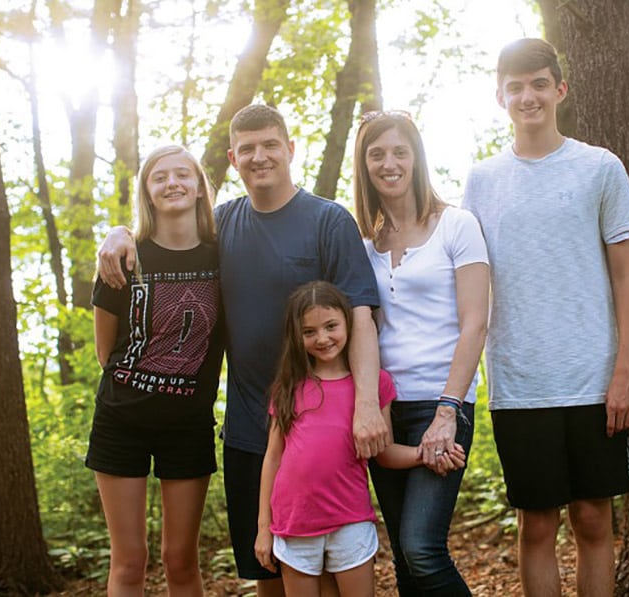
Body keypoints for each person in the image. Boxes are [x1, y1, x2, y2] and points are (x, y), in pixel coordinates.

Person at [97, 104, 389, 597]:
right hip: (250, 434)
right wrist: (119, 233)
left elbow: (361, 315)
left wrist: (365, 406)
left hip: (321, 431)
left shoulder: (328, 220)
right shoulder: (222, 226)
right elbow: (167, 232)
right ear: (233, 158)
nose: (260, 156)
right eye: (248, 148)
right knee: (266, 572)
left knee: (332, 576)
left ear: (290, 149)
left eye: (270, 144)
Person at [462, 38, 629, 597]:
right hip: (521, 382)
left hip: (594, 379)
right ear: (500, 96)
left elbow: (626, 276)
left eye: (539, 83)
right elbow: (471, 285)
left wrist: (626, 372)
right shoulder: (482, 180)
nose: (528, 96)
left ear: (560, 89)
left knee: (593, 518)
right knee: (536, 523)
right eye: (516, 86)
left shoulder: (600, 167)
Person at [254, 281, 466, 597]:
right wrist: (263, 529)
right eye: (309, 331)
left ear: (349, 324)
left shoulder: (373, 384)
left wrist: (424, 454)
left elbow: (384, 452)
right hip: (294, 524)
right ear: (295, 336)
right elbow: (273, 458)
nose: (322, 338)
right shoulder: (289, 387)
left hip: (349, 521)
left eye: (331, 326)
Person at [353, 110, 490, 595]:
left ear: (417, 159)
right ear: (364, 164)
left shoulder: (457, 225)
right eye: (376, 153)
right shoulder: (362, 242)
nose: (389, 163)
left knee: (421, 548)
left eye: (400, 152)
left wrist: (448, 411)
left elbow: (475, 324)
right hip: (384, 409)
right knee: (406, 564)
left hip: (442, 402)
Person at [87, 144, 222, 595]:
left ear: (201, 188)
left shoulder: (224, 257)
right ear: (147, 191)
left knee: (180, 560)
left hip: (188, 425)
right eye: (159, 176)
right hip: (121, 421)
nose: (172, 183)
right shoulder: (123, 257)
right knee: (129, 562)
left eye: (183, 174)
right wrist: (118, 231)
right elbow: (106, 353)